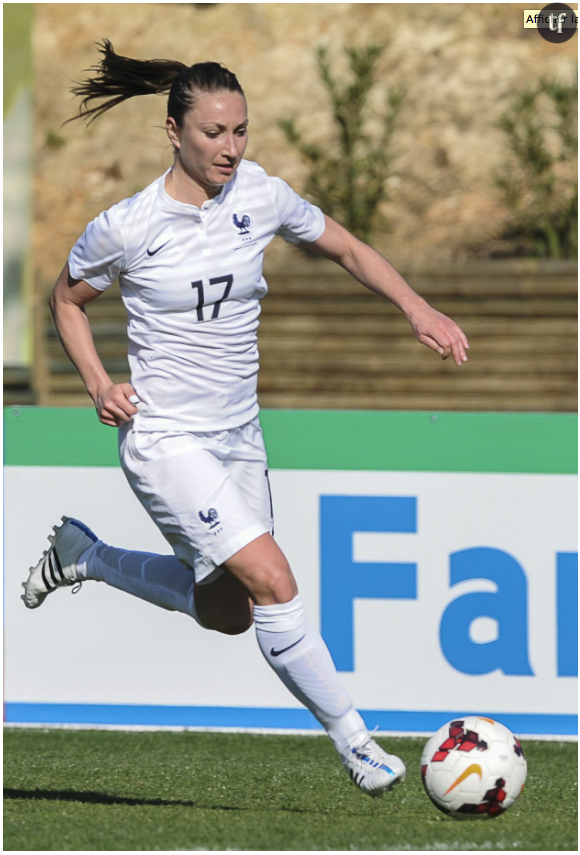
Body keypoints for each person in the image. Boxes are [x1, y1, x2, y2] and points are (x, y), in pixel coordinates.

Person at [23, 40, 469, 798]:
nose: (230, 148)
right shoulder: (127, 226)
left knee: (227, 612)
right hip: (165, 438)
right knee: (273, 577)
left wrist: (415, 305)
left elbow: (348, 247)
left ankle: (88, 557)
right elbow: (65, 300)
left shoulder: (260, 193)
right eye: (212, 134)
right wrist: (98, 382)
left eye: (240, 131)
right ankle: (358, 742)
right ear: (173, 131)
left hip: (239, 437)